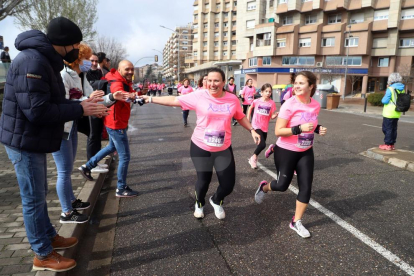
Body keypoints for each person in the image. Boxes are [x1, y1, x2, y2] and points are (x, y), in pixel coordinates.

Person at [0, 17, 109, 272]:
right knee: (33, 199)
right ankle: (42, 253)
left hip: (29, 138)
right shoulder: (33, 61)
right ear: (63, 43)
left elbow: (55, 102)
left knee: (38, 195)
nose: (77, 48)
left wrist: (81, 107)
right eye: (75, 43)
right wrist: (80, 108)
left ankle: (49, 236)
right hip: (23, 140)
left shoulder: (43, 59)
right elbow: (37, 111)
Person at [140, 68, 261, 220]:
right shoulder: (199, 96)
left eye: (216, 80)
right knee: (204, 180)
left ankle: (216, 200)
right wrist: (150, 99)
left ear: (223, 82)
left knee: (228, 184)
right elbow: (174, 100)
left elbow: (240, 116)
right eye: (209, 80)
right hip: (201, 147)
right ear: (205, 81)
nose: (212, 84)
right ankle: (199, 202)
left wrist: (252, 130)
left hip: (223, 148)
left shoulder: (232, 99)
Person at [56, 44, 130, 224]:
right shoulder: (64, 75)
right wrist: (89, 104)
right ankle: (66, 212)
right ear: (77, 59)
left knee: (68, 167)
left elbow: (94, 99)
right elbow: (65, 103)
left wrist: (112, 97)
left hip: (71, 126)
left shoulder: (79, 75)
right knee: (64, 171)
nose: (90, 63)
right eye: (87, 59)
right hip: (61, 128)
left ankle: (72, 201)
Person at [254, 71, 327, 238]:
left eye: (301, 83)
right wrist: (299, 129)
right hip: (286, 150)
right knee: (281, 185)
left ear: (311, 86)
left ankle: (296, 221)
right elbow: (279, 130)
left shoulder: (315, 105)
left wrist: (317, 128)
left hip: (306, 150)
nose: (297, 86)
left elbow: (311, 123)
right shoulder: (289, 104)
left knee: (306, 187)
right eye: (296, 83)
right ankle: (264, 187)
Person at [79, 60, 139, 198]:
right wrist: (130, 96)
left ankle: (87, 166)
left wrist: (136, 93)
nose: (130, 71)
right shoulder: (118, 82)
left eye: (132, 69)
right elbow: (118, 92)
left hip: (114, 121)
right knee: (125, 156)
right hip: (116, 123)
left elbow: (128, 93)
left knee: (111, 147)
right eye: (127, 69)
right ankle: (121, 188)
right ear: (119, 69)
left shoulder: (120, 78)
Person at [247, 83, 278, 169]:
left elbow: (271, 116)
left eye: (270, 92)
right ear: (262, 92)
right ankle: (253, 158)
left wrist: (274, 116)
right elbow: (250, 108)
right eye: (266, 91)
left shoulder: (272, 103)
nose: (268, 93)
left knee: (261, 144)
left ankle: (254, 158)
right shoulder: (257, 101)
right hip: (256, 125)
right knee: (263, 145)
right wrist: (247, 119)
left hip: (265, 127)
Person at [379, 73, 405, 151]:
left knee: (386, 129)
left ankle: (387, 144)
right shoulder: (402, 89)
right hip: (397, 112)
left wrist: (387, 90)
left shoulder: (390, 89)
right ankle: (392, 144)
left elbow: (384, 101)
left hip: (389, 112)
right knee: (393, 129)